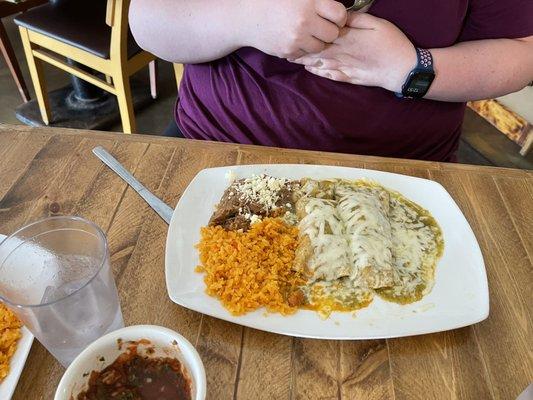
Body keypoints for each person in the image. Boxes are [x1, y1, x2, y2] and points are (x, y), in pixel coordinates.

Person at [129, 0, 533, 161]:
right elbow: (148, 23)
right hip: (213, 147)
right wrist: (244, 20)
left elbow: (523, 51)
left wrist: (410, 68)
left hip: (406, 173)